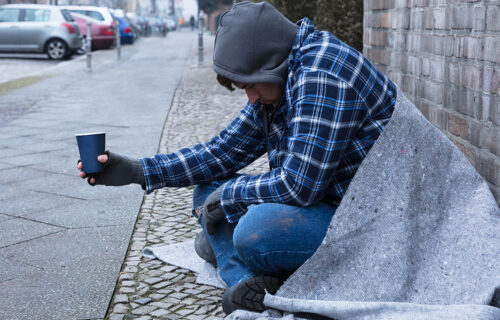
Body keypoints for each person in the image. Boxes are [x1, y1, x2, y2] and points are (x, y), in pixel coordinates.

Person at [77, 1, 397, 315]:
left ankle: (232, 259)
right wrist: (137, 170)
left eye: (250, 85)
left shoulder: (323, 73)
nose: (251, 97)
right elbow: (222, 152)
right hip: (325, 204)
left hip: (370, 225)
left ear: (268, 62)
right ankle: (245, 282)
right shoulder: (281, 72)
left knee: (252, 233)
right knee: (208, 187)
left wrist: (225, 200)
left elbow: (299, 186)